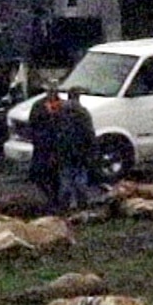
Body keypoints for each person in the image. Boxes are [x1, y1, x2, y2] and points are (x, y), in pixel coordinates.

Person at [57, 86, 96, 211]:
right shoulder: (83, 112)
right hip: (80, 151)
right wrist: (91, 149)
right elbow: (89, 133)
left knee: (66, 179)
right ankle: (82, 204)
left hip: (64, 150)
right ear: (78, 96)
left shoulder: (60, 111)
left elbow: (55, 131)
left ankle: (65, 206)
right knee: (80, 178)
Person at [27, 79, 64, 208]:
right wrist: (35, 139)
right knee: (38, 175)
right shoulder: (38, 105)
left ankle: (55, 201)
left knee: (55, 176)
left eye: (54, 90)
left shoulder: (63, 105)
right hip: (41, 145)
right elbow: (32, 124)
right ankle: (48, 198)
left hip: (57, 147)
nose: (52, 92)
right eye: (50, 90)